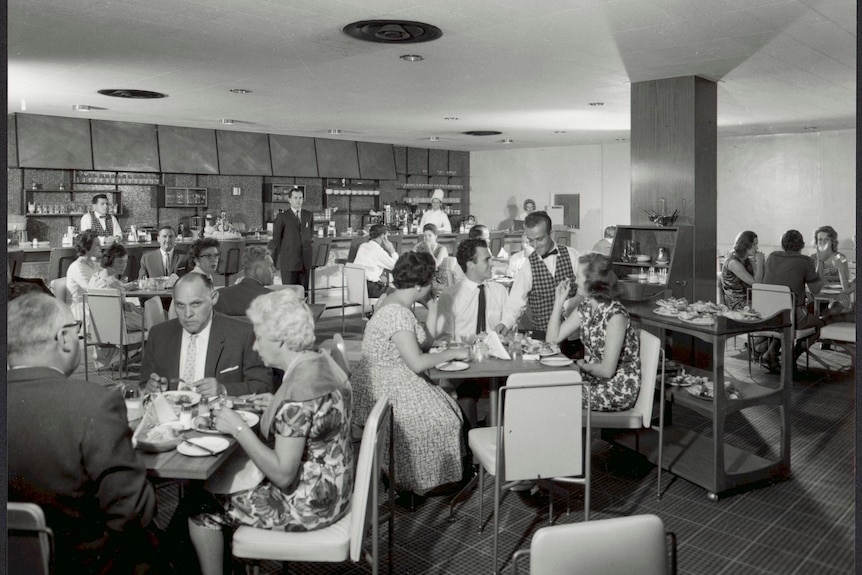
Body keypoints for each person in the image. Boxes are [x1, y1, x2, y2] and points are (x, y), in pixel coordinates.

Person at [188, 289, 353, 575]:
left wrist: (238, 428)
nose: (255, 346)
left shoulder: (297, 396)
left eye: (260, 337)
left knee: (199, 504)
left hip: (310, 505)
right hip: (336, 489)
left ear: (279, 339)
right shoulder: (320, 363)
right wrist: (274, 403)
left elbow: (282, 474)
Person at [8, 293, 159, 573]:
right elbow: (134, 510)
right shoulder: (94, 403)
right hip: (83, 564)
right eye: (77, 330)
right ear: (64, 338)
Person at [350, 252, 470, 503]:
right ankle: (415, 482)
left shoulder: (393, 300)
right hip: (387, 384)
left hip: (385, 377)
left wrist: (433, 307)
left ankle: (413, 477)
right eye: (429, 282)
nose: (432, 286)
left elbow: (424, 342)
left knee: (448, 406)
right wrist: (453, 351)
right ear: (418, 285)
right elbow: (417, 362)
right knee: (444, 418)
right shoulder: (397, 313)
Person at [141, 273, 273, 397]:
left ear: (213, 298)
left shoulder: (244, 334)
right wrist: (151, 388)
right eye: (180, 305)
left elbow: (263, 386)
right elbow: (144, 385)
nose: (187, 314)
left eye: (196, 304)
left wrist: (224, 389)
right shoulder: (159, 335)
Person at [546, 253, 641, 411]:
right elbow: (552, 340)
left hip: (618, 388)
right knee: (545, 383)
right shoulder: (586, 307)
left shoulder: (616, 315)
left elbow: (607, 370)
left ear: (593, 282)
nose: (575, 281)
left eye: (578, 277)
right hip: (595, 378)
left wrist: (577, 365)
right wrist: (559, 301)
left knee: (555, 393)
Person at [436, 239, 508, 427]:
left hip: (496, 365)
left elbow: (509, 332)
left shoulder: (500, 291)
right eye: (486, 260)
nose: (492, 264)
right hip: (465, 366)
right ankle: (470, 442)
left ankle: (494, 436)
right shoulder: (450, 296)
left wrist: (502, 334)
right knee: (465, 399)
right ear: (470, 265)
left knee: (514, 394)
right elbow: (442, 340)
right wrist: (467, 345)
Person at [495, 211, 582, 341]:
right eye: (531, 240)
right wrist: (505, 323)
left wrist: (574, 301)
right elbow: (516, 301)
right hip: (542, 336)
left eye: (540, 239)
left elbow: (588, 289)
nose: (535, 246)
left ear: (551, 234)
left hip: (573, 335)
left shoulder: (572, 255)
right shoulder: (528, 265)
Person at [760, 229, 823, 372]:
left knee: (785, 320)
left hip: (768, 314)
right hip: (791, 316)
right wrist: (820, 265)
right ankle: (791, 358)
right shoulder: (806, 261)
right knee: (818, 325)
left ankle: (771, 353)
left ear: (783, 244)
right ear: (802, 245)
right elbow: (816, 290)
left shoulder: (772, 256)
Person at [66, 229, 121, 369]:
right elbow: (94, 289)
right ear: (86, 247)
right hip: (81, 308)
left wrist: (125, 285)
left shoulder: (94, 264)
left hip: (96, 303)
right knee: (115, 315)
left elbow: (106, 283)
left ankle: (111, 355)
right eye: (96, 245)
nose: (100, 247)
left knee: (121, 310)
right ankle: (111, 355)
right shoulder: (77, 267)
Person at [88, 242, 145, 336]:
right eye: (120, 262)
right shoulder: (114, 283)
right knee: (152, 323)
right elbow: (122, 308)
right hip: (114, 323)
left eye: (125, 262)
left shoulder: (94, 277)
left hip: (94, 324)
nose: (124, 265)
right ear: (110, 260)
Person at [272, 187, 313, 290]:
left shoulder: (308, 215)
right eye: (295, 198)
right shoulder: (282, 217)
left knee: (304, 293)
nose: (298, 200)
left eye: (300, 198)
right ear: (289, 200)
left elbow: (309, 235)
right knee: (289, 294)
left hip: (305, 262)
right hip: (289, 263)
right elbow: (277, 240)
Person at [811, 225, 854, 320]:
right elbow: (817, 283)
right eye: (820, 240)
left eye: (826, 240)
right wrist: (820, 261)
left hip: (838, 296)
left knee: (832, 311)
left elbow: (845, 284)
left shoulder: (840, 257)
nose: (822, 243)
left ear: (832, 242)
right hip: (818, 296)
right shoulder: (813, 258)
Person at [720, 230, 765, 310]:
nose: (757, 248)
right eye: (754, 244)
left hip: (750, 300)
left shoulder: (747, 260)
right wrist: (760, 262)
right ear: (745, 245)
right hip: (737, 303)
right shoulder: (733, 262)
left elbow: (759, 279)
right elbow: (756, 283)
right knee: (768, 307)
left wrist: (759, 263)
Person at [353, 223, 399, 298]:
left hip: (357, 287)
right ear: (382, 236)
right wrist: (392, 250)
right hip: (371, 289)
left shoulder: (363, 246)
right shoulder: (378, 251)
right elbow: (397, 266)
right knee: (400, 293)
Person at [414, 223, 449, 296]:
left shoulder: (442, 249)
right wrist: (416, 247)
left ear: (435, 237)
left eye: (430, 235)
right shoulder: (423, 248)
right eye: (425, 236)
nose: (427, 238)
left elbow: (435, 265)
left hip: (439, 280)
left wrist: (428, 249)